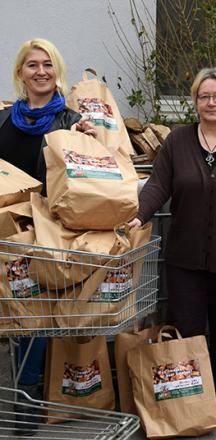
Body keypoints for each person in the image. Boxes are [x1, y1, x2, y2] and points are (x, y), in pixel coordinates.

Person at [128, 67, 216, 424]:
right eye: (204, 96)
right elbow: (159, 186)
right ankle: (193, 395)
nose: (211, 102)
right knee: (187, 329)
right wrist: (139, 216)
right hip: (184, 258)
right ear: (194, 101)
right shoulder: (178, 140)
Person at [0, 38, 94, 436]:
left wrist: (86, 139)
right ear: (20, 73)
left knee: (32, 314)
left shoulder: (70, 121)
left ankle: (27, 395)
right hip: (7, 230)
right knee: (15, 311)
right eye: (32, 65)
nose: (40, 72)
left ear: (58, 72)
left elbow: (89, 175)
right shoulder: (3, 122)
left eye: (47, 65)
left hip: (48, 231)